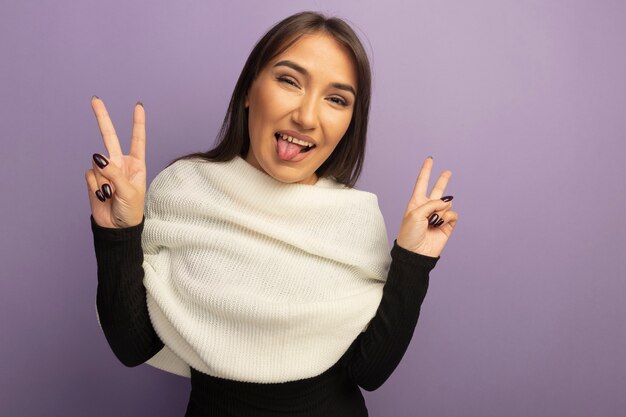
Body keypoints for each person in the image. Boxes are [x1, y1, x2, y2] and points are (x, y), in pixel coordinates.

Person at [85, 11, 458, 417]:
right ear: (249, 89)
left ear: (351, 120)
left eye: (336, 99)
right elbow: (132, 345)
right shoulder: (184, 189)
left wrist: (413, 261)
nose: (307, 116)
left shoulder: (355, 216)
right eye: (289, 81)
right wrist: (117, 231)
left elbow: (370, 371)